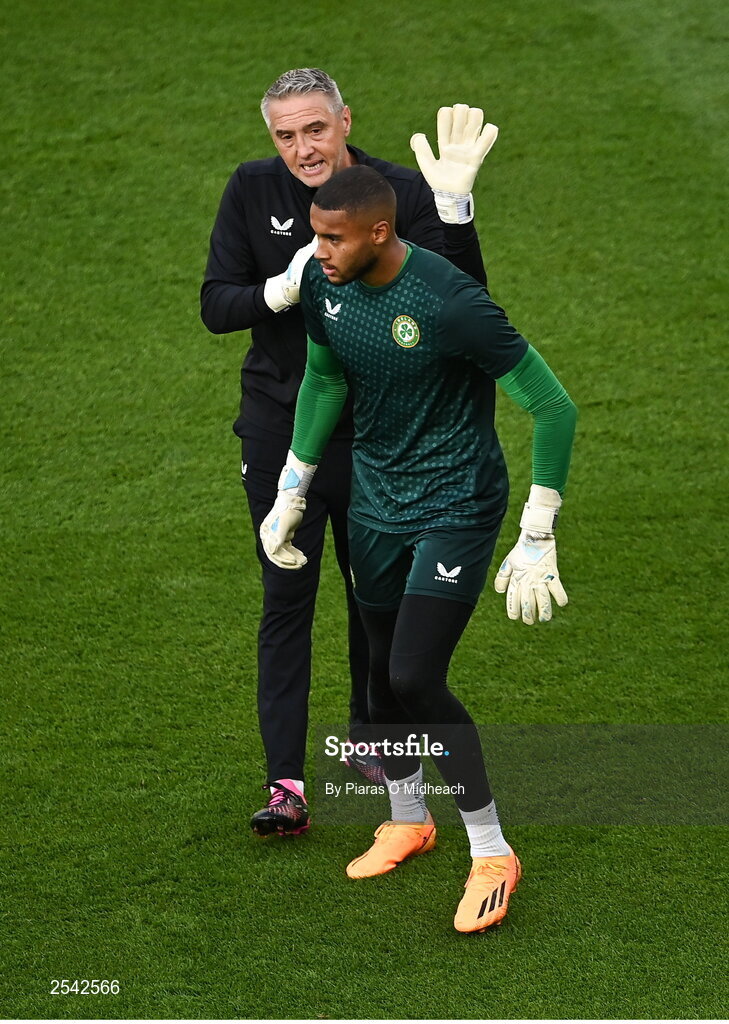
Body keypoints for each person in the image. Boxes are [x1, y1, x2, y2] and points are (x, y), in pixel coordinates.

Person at [260, 165, 577, 932]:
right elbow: (325, 380)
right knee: (376, 672)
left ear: (380, 232)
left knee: (413, 674)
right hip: (376, 497)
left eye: (332, 238)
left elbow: (551, 405)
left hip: (455, 500)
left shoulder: (447, 302)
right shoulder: (324, 283)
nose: (317, 250)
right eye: (313, 233)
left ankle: (492, 849)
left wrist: (538, 531)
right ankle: (407, 818)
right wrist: (293, 486)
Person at [200, 67, 499, 837]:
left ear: (344, 121)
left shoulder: (394, 192)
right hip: (279, 433)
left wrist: (456, 209)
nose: (302, 148)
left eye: (315, 129)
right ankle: (286, 785)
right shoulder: (251, 189)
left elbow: (466, 300)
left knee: (376, 612)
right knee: (285, 599)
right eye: (285, 135)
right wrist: (278, 291)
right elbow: (215, 304)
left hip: (377, 441)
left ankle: (374, 747)